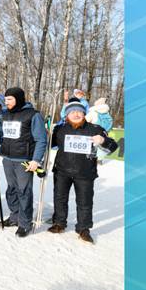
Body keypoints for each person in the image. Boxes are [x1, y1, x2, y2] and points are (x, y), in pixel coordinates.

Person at [48, 100, 118, 243]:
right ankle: (59, 223)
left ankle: (83, 228)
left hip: (85, 173)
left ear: (84, 114)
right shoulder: (60, 129)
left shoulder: (95, 129)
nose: (76, 114)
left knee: (85, 202)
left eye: (79, 112)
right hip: (62, 171)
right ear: (67, 115)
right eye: (72, 112)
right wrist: (46, 133)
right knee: (60, 198)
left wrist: (103, 141)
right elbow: (49, 143)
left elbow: (113, 146)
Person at [0, 87, 48, 237]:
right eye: (6, 99)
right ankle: (15, 216)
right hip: (8, 158)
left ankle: (25, 223)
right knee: (11, 190)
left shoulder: (33, 115)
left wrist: (36, 160)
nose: (6, 102)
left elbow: (41, 139)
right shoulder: (6, 114)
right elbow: (5, 135)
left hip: (24, 160)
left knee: (24, 192)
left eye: (10, 99)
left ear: (18, 99)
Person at [85, 98, 114, 163]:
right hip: (105, 132)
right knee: (101, 145)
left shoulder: (93, 112)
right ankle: (100, 159)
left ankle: (90, 159)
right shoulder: (107, 113)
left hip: (93, 132)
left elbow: (85, 121)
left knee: (92, 145)